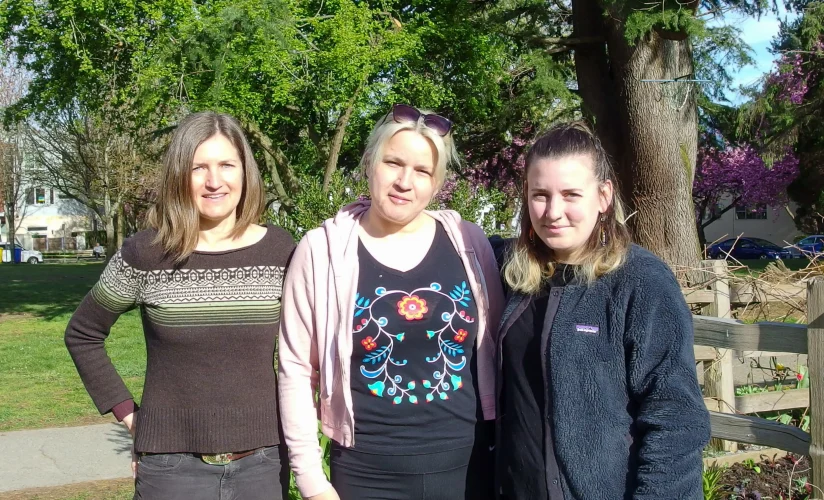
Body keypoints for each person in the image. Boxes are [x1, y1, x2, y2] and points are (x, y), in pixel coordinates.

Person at [278, 104, 505, 500]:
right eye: (393, 163)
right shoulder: (321, 251)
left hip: (466, 467)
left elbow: (498, 349)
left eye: (422, 171)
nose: (404, 181)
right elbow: (296, 369)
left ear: (437, 183)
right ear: (369, 163)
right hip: (366, 472)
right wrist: (311, 481)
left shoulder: (470, 244)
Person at [65, 111, 295, 499]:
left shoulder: (280, 250)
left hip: (263, 464)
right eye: (198, 168)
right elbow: (83, 333)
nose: (214, 181)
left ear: (246, 172)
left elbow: (311, 346)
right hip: (170, 470)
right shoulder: (147, 253)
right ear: (179, 176)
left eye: (226, 165)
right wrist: (128, 414)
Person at [492, 122, 710, 499]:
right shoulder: (511, 272)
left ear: (603, 196)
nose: (553, 211)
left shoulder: (640, 281)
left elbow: (675, 417)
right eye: (540, 195)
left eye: (571, 194)